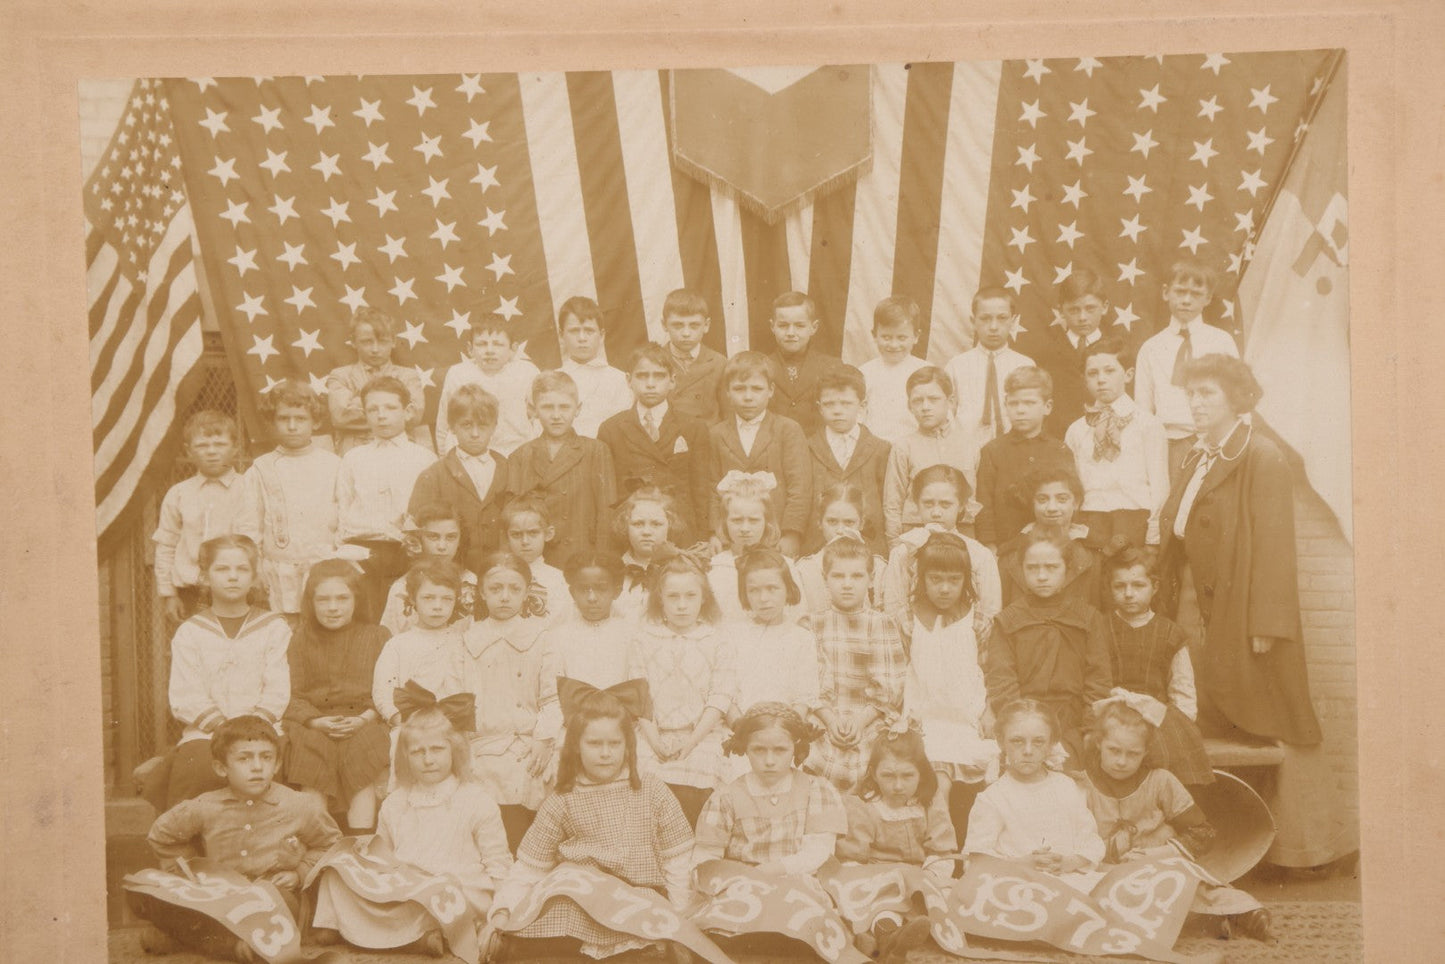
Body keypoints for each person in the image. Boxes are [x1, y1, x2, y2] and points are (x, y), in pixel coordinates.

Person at [1156, 354, 1332, 868]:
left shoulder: (1261, 455)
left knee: (1270, 715)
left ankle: (1302, 849)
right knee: (1200, 712)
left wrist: (1266, 623)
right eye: (1191, 394)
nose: (1196, 403)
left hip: (1240, 608)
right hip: (1194, 602)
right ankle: (1216, 842)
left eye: (1207, 393)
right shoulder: (1195, 455)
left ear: (1236, 398)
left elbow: (1276, 545)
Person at [485, 679, 707, 961]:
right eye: (594, 743)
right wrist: (502, 912)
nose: (605, 753)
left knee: (647, 938)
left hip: (637, 901)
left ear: (628, 746)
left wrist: (680, 922)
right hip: (580, 900)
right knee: (551, 909)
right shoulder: (562, 799)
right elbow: (529, 868)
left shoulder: (652, 790)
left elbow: (677, 863)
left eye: (614, 743)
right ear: (576, 746)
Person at [130, 715, 341, 962]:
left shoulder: (299, 805)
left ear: (276, 765)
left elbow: (332, 845)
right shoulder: (206, 806)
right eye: (244, 758)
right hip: (220, 896)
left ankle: (195, 939)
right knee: (147, 898)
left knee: (280, 906)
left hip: (272, 898)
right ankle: (236, 947)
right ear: (221, 768)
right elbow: (162, 835)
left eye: (266, 757)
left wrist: (299, 872)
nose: (257, 767)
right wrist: (191, 871)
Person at [311, 707, 513, 962]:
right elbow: (381, 859)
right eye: (418, 752)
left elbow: (500, 866)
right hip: (404, 890)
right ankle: (411, 936)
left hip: (453, 889)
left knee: (438, 892)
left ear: (454, 750)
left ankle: (369, 931)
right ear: (405, 756)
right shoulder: (395, 802)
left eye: (437, 749)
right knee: (336, 869)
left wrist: (498, 913)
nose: (428, 760)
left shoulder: (476, 800)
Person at [1080, 700, 1272, 941]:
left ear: (1145, 752)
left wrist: (1158, 854)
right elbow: (1073, 838)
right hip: (1106, 869)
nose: (1122, 761)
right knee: (1097, 894)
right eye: (1114, 750)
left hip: (1157, 866)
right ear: (1099, 743)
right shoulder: (1081, 785)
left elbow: (1202, 833)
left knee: (1187, 884)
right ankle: (1205, 920)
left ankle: (1243, 913)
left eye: (1133, 754)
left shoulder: (1161, 781)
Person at [691, 703, 853, 962]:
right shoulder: (726, 796)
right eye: (759, 750)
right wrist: (739, 880)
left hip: (797, 880)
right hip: (742, 885)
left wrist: (770, 871)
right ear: (745, 748)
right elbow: (706, 860)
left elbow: (818, 852)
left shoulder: (815, 789)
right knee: (726, 933)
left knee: (805, 925)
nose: (769, 760)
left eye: (780, 750)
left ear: (795, 748)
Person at [162, 535, 290, 809]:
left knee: (275, 765)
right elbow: (186, 696)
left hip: (264, 731)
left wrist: (251, 729)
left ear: (254, 577)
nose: (233, 577)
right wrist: (224, 729)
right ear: (205, 577)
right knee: (198, 766)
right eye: (222, 569)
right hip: (208, 733)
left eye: (242, 569)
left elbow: (278, 689)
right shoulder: (190, 632)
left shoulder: (273, 628)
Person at [899, 530, 997, 840]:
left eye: (954, 580)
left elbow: (990, 671)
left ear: (966, 580)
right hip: (924, 720)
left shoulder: (978, 621)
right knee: (938, 781)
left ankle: (975, 846)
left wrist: (989, 710)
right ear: (921, 579)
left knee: (989, 778)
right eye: (936, 579)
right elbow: (899, 673)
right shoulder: (907, 620)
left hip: (967, 718)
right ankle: (940, 846)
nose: (944, 588)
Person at [985, 533, 1112, 766]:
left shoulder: (1088, 617)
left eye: (1052, 567)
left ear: (1067, 570)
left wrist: (1089, 730)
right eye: (1032, 568)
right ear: (1021, 570)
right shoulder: (1008, 621)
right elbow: (1002, 680)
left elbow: (1098, 679)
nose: (1042, 576)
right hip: (1024, 723)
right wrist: (1021, 724)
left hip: (1074, 724)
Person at [283, 559, 391, 832]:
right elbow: (293, 694)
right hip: (316, 721)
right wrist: (315, 721)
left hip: (365, 719)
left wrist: (365, 718)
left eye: (342, 598)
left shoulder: (377, 636)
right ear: (311, 603)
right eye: (323, 599)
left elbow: (388, 688)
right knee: (310, 748)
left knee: (363, 749)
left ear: (357, 600)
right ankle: (319, 840)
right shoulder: (301, 638)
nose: (333, 607)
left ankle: (360, 839)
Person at [628, 555, 737, 824]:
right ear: (660, 599)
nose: (682, 605)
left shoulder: (717, 640)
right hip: (653, 733)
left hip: (702, 734)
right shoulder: (643, 639)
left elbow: (720, 698)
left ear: (704, 598)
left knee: (699, 775)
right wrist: (655, 742)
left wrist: (690, 743)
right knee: (643, 777)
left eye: (690, 596)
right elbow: (639, 696)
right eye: (673, 596)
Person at [832, 729, 956, 964]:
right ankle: (887, 936)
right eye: (888, 776)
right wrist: (873, 884)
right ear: (874, 774)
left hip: (921, 878)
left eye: (907, 776)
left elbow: (941, 850)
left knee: (947, 898)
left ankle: (887, 937)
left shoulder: (930, 802)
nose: (898, 786)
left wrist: (927, 880)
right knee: (883, 906)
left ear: (921, 774)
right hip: (879, 879)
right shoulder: (864, 805)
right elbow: (852, 859)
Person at [460, 552, 551, 851]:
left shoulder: (542, 637)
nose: (504, 597)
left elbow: (552, 697)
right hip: (481, 744)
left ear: (527, 592)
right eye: (495, 588)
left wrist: (543, 740)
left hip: (530, 744)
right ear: (481, 592)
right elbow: (456, 700)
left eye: (514, 589)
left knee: (531, 785)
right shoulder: (466, 639)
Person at [1102, 546, 1212, 786]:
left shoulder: (1171, 634)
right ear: (1110, 589)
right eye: (1120, 586)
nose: (1128, 594)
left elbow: (1183, 694)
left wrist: (1175, 725)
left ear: (1154, 587)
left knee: (1162, 762)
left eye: (1138, 585)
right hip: (1111, 717)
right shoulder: (1099, 630)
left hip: (1155, 720)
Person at [963, 699, 1105, 883]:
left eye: (1038, 742)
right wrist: (1022, 864)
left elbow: (1091, 841)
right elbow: (976, 861)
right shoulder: (993, 798)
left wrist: (1069, 862)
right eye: (1017, 741)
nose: (1028, 750)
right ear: (1001, 742)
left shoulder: (1066, 786)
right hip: (1017, 885)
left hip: (1069, 881)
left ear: (1052, 743)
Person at [334, 374, 437, 622]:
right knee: (365, 620)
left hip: (406, 553)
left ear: (407, 411)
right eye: (373, 409)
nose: (381, 416)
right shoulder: (354, 458)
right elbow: (343, 507)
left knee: (403, 618)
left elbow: (430, 512)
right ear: (364, 414)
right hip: (362, 552)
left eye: (390, 408)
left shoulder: (424, 458)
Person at [807, 536, 906, 793]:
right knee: (810, 753)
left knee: (882, 757)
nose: (847, 584)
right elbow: (807, 683)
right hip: (824, 716)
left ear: (871, 579)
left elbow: (889, 689)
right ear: (825, 579)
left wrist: (860, 722)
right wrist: (831, 720)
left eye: (857, 576)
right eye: (838, 576)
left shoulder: (882, 624)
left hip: (869, 718)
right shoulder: (812, 625)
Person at [236, 380, 340, 619]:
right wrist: (255, 568)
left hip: (323, 568)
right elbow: (249, 526)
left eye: (301, 419)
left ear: (315, 422)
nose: (292, 426)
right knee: (283, 627)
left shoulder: (334, 465)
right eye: (284, 419)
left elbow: (343, 517)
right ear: (272, 422)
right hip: (279, 571)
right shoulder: (261, 468)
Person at [1132, 259, 1239, 477]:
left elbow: (1238, 398)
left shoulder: (1221, 342)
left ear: (1208, 298)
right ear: (1166, 293)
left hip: (1214, 443)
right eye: (1180, 292)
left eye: (1196, 294)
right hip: (1167, 446)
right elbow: (1143, 410)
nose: (1187, 300)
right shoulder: (1151, 348)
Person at [598, 343, 713, 545]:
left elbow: (701, 489)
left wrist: (703, 538)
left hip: (680, 529)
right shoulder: (611, 429)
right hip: (632, 531)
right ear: (629, 380)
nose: (650, 384)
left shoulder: (693, 427)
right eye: (642, 376)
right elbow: (607, 494)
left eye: (659, 376)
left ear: (672, 381)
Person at [1064, 336, 1169, 549]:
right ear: (1085, 379)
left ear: (1128, 375)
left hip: (1135, 518)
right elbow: (1072, 486)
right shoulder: (1077, 430)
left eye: (1110, 371)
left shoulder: (1147, 424)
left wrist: (1153, 537)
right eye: (1093, 373)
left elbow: (1160, 485)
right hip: (1090, 519)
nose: (1101, 379)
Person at [505, 370, 616, 568]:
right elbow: (512, 519)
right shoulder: (520, 456)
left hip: (583, 556)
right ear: (533, 410)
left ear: (578, 409)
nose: (556, 416)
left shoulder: (596, 451)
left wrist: (601, 562)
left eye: (564, 407)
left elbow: (606, 513)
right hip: (538, 558)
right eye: (547, 407)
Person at [708, 350, 811, 558]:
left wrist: (791, 533)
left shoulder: (787, 429)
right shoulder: (716, 434)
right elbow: (711, 487)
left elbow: (800, 488)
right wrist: (715, 533)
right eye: (739, 389)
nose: (748, 397)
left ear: (770, 390)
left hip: (776, 536)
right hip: (733, 537)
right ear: (727, 392)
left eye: (756, 389)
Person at [728, 549, 819, 777]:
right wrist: (741, 728)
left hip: (785, 733)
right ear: (744, 594)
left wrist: (783, 732)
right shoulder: (733, 635)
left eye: (772, 588)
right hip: (742, 731)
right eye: (754, 590)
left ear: (787, 589)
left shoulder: (801, 638)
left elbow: (804, 697)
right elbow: (725, 693)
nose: (763, 598)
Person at [878, 465, 1001, 633]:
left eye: (945, 504)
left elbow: (990, 611)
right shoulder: (903, 552)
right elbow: (893, 609)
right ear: (917, 504)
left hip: (966, 638)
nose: (936, 512)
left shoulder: (979, 554)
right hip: (915, 638)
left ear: (961, 506)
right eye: (928, 504)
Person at [407, 383, 512, 578]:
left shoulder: (509, 469)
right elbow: (414, 534)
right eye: (466, 425)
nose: (475, 434)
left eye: (483, 425)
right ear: (452, 426)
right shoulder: (433, 476)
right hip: (450, 576)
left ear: (494, 426)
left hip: (500, 575)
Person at [153, 410, 247, 625]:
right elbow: (166, 545)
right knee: (195, 644)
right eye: (202, 445)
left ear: (235, 447)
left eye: (220, 444)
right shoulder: (178, 494)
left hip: (238, 589)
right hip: (190, 593)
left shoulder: (249, 489)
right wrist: (169, 594)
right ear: (189, 451)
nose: (211, 451)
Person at [535, 551, 630, 749]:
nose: (592, 597)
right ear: (572, 593)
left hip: (622, 728)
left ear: (617, 591)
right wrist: (545, 737)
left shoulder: (631, 635)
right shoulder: (558, 637)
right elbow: (550, 696)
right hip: (573, 729)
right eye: (583, 590)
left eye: (601, 589)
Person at [974, 365, 1073, 550]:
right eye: (1014, 403)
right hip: (1006, 546)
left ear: (1047, 407)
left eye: (1029, 403)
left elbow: (1070, 499)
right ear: (1006, 405)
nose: (1020, 410)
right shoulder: (992, 451)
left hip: (1051, 546)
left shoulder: (1060, 450)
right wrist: (990, 546)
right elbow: (984, 505)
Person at [882, 367, 978, 543]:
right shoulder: (903, 447)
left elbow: (976, 498)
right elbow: (892, 503)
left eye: (933, 399)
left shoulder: (969, 444)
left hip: (962, 532)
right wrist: (895, 544)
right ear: (909, 406)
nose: (925, 407)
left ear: (950, 401)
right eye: (918, 401)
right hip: (915, 531)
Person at [805, 364, 891, 556]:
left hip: (868, 547)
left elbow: (887, 503)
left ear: (862, 405)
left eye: (846, 403)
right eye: (829, 404)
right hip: (818, 546)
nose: (837, 410)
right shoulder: (807, 447)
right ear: (819, 407)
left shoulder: (881, 449)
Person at [371, 561, 467, 730]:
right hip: (409, 728)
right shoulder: (398, 645)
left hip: (454, 728)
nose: (437, 606)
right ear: (412, 599)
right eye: (428, 598)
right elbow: (383, 693)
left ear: (456, 600)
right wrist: (402, 722)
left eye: (447, 599)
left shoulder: (464, 643)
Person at [995, 465, 1105, 608]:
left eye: (1062, 499)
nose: (1052, 508)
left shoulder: (1095, 553)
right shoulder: (1011, 555)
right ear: (1032, 503)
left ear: (1076, 503)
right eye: (1042, 500)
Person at [325, 306, 431, 454]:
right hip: (356, 449)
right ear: (354, 342)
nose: (375, 349)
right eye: (367, 342)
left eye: (382, 341)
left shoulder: (408, 376)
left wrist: (358, 402)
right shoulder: (341, 376)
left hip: (399, 451)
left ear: (393, 341)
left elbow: (414, 416)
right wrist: (393, 409)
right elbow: (340, 417)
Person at [944, 287, 1035, 455]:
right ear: (973, 321)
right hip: (966, 451)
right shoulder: (956, 365)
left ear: (1013, 321)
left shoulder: (1025, 365)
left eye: (1002, 318)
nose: (993, 327)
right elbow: (947, 414)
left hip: (1015, 451)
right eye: (985, 319)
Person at [436, 315, 541, 457]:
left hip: (516, 451)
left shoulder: (527, 371)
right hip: (469, 454)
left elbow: (540, 418)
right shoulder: (459, 373)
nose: (489, 350)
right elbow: (445, 422)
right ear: (470, 349)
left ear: (513, 349)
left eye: (498, 344)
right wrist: (444, 457)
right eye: (481, 344)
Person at [708, 471, 803, 625]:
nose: (745, 528)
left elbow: (797, 617)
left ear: (767, 522)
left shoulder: (784, 565)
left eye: (753, 520)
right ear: (725, 522)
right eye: (737, 520)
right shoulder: (715, 568)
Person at [1035, 269, 1120, 436]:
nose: (1082, 317)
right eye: (1073, 310)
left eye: (1090, 309)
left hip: (1107, 437)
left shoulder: (1118, 350)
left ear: (1104, 307)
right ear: (1061, 311)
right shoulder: (1046, 355)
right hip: (1059, 439)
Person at [379, 502, 477, 634]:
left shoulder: (472, 582)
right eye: (433, 537)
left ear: (460, 540)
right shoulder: (402, 587)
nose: (442, 546)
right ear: (418, 539)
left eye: (451, 537)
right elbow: (390, 636)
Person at [796, 483, 887, 615]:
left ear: (861, 523)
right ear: (820, 522)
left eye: (849, 522)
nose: (840, 530)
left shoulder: (878, 568)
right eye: (832, 522)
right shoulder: (804, 570)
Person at [764, 291, 842, 436]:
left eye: (799, 325)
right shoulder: (761, 366)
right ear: (772, 326)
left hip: (817, 447)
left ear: (814, 327)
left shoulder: (832, 366)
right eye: (783, 325)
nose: (790, 332)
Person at [555, 295, 634, 438]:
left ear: (601, 335)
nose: (582, 338)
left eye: (589, 331)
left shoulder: (620, 380)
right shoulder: (551, 381)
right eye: (574, 331)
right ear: (561, 335)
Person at [858, 295, 929, 445]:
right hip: (875, 448)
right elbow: (858, 418)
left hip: (915, 447)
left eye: (902, 338)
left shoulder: (926, 371)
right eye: (886, 337)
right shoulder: (865, 373)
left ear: (916, 336)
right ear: (874, 335)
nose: (894, 345)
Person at [612, 485, 685, 623]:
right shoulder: (613, 572)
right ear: (625, 526)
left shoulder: (683, 570)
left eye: (656, 524)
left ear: (670, 525)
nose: (646, 532)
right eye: (638, 524)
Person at [500, 493, 571, 626]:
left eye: (533, 533)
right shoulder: (497, 575)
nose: (525, 541)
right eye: (516, 534)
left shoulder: (559, 580)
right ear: (506, 538)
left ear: (548, 534)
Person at [660, 287, 728, 423]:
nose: (686, 333)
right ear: (664, 325)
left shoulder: (720, 363)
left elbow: (728, 415)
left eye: (694, 325)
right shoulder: (655, 360)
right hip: (669, 434)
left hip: (708, 435)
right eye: (678, 325)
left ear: (706, 325)